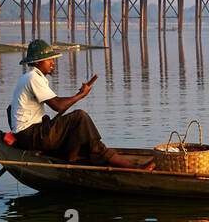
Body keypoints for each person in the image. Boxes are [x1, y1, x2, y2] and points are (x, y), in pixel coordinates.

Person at [9, 39, 153, 170]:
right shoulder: (33, 77)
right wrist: (80, 95)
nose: (53, 62)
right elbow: (58, 106)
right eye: (49, 59)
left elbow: (57, 105)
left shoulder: (32, 77)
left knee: (87, 140)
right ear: (37, 62)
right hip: (30, 136)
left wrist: (77, 97)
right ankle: (73, 160)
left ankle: (128, 165)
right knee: (79, 116)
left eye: (53, 59)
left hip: (33, 133)